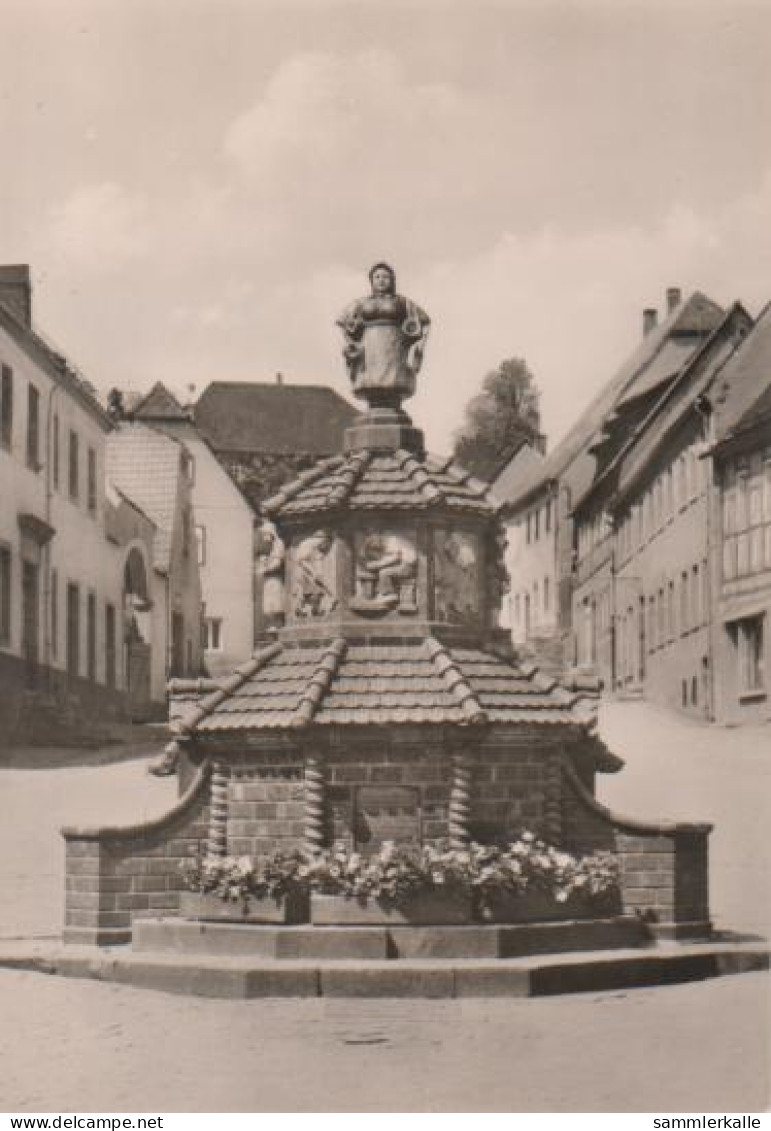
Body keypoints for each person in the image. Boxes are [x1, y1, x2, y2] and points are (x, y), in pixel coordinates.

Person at [336, 263, 430, 400]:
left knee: (393, 383)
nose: (381, 280)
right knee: (369, 384)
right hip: (368, 351)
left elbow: (425, 321)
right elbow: (342, 322)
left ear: (392, 280)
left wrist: (419, 348)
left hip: (394, 349)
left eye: (385, 277)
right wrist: (350, 344)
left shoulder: (402, 302)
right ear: (371, 281)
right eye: (377, 277)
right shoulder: (361, 303)